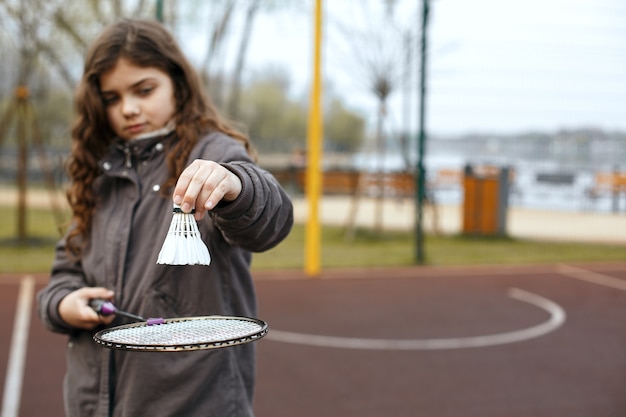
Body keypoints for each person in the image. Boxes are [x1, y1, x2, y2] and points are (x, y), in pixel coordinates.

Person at [37, 18, 293, 417]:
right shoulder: (99, 172)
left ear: (178, 83)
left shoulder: (214, 151)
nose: (129, 108)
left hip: (193, 401)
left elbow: (272, 222)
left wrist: (235, 185)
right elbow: (64, 273)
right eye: (112, 98)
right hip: (93, 400)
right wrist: (64, 303)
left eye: (144, 90)